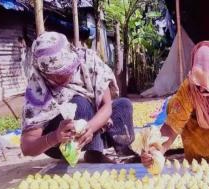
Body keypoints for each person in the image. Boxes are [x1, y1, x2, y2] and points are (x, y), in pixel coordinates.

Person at [20, 32, 134, 163]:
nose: (63, 77)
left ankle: (123, 150)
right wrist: (55, 137)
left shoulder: (88, 61)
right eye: (55, 74)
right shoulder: (37, 90)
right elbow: (27, 147)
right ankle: (94, 154)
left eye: (66, 70)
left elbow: (106, 106)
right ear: (43, 72)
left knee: (123, 105)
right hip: (62, 142)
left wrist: (90, 127)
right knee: (79, 103)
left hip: (92, 128)